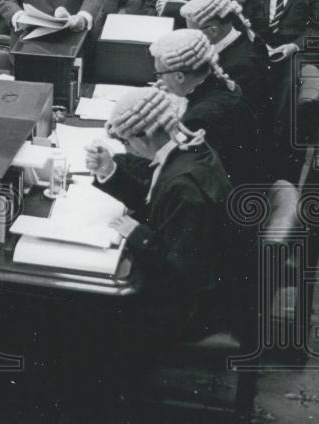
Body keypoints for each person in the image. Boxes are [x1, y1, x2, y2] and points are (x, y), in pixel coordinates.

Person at [85, 86, 240, 339]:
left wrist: (138, 235)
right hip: (197, 280)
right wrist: (109, 170)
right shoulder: (188, 148)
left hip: (190, 308)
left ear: (143, 137)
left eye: (126, 142)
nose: (128, 149)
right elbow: (157, 202)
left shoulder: (185, 188)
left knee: (89, 309)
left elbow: (179, 272)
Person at [248, 0, 319, 180]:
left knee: (289, 77)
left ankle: (280, 153)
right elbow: (250, 24)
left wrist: (293, 46)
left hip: (296, 52)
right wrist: (258, 42)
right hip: (263, 51)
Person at [149, 28, 260, 191]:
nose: (159, 80)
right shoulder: (224, 85)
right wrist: (176, 91)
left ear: (179, 76)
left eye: (160, 75)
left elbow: (175, 174)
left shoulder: (199, 119)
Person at [180, 0, 269, 115]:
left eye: (192, 33)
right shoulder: (237, 35)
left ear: (213, 31)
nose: (189, 38)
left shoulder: (241, 66)